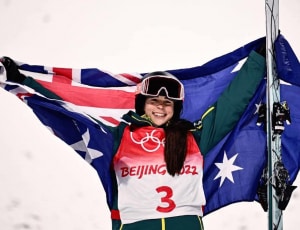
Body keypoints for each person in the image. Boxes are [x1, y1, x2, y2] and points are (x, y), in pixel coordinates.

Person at [0, 49, 266, 230]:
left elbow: (230, 106)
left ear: (176, 108)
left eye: (168, 103)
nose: (160, 107)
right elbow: (67, 108)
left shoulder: (193, 137)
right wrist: (22, 80)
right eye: (154, 101)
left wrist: (257, 60)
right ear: (142, 104)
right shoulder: (117, 137)